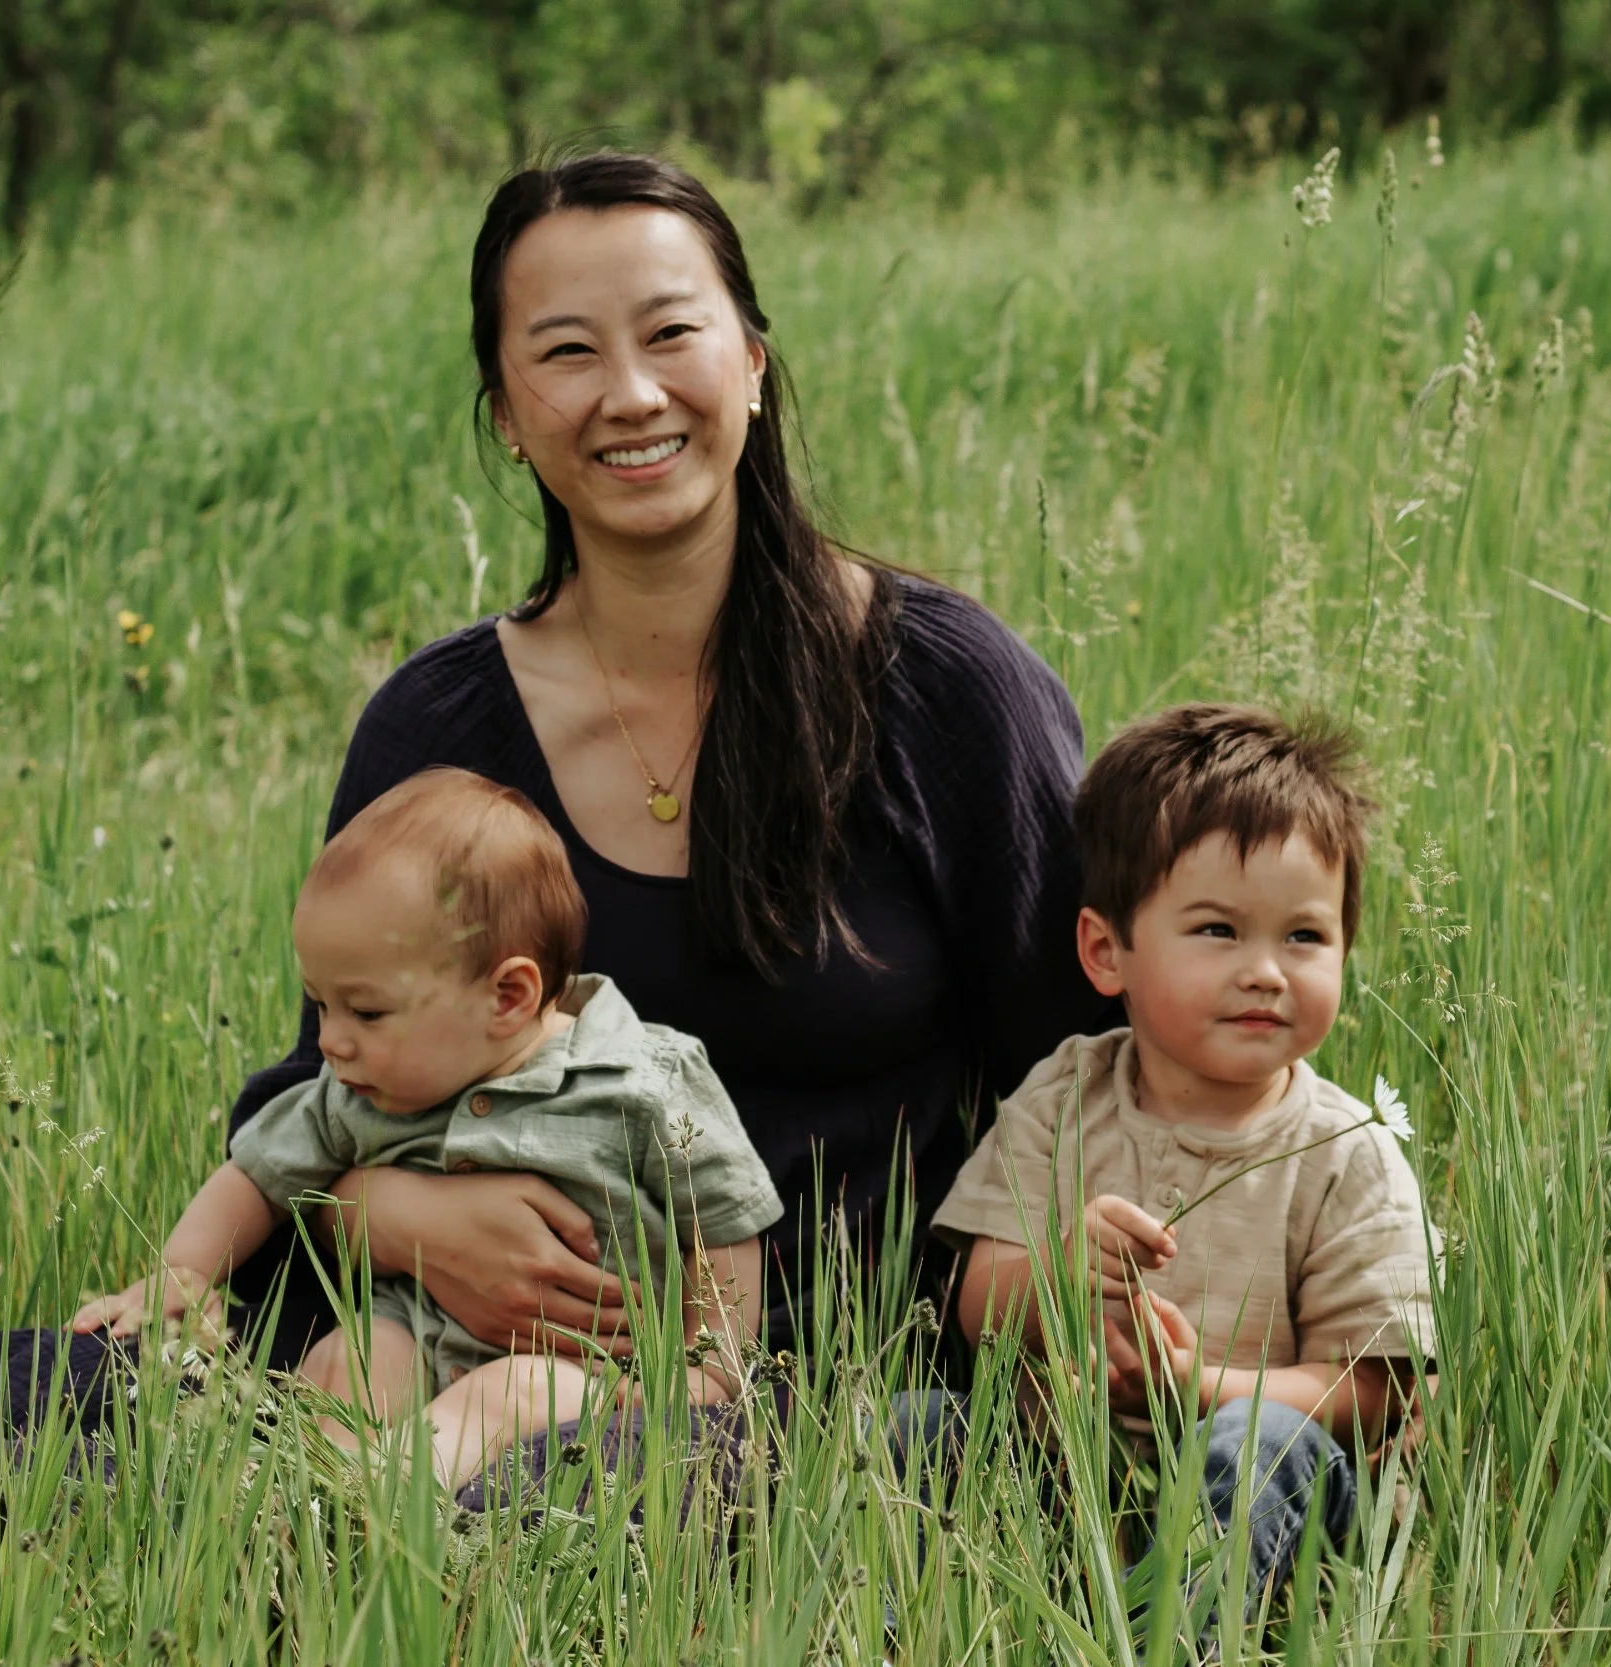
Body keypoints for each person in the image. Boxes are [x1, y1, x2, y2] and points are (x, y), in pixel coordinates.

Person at [220, 151, 1104, 1390]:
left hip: (857, 1400)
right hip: (460, 1357)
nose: (630, 394)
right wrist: (392, 1216)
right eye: (568, 353)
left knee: (552, 1489)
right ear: (507, 418)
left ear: (751, 360)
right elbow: (333, 1078)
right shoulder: (437, 723)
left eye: (671, 332)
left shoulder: (945, 691)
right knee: (10, 1402)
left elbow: (1100, 1064)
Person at [70, 769, 780, 1487]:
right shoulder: (362, 1092)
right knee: (344, 1364)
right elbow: (256, 1173)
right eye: (321, 1005)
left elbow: (722, 1216)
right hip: (418, 1332)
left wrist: (712, 1369)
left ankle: (383, 1501)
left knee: (503, 1398)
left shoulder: (640, 1081)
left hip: (592, 1367)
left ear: (508, 995)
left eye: (366, 1012)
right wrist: (185, 1270)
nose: (331, 1041)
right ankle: (309, 1517)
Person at [933, 704, 1436, 1609]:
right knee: (926, 1425)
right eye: (1217, 930)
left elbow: (1374, 1387)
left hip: (1268, 1494)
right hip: (1066, 1469)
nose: (1266, 971)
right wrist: (1055, 1270)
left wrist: (1202, 1388)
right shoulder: (1065, 1095)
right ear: (1105, 950)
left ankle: (1166, 1626)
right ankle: (900, 1613)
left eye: (1305, 936)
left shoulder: (1344, 1151)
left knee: (1254, 1446)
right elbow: (976, 1309)